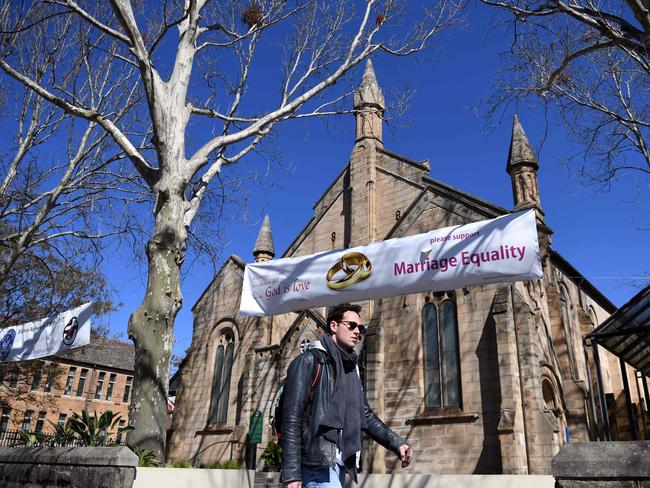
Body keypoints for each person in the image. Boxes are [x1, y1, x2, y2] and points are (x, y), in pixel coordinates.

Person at [280, 303, 413, 488]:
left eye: (360, 327)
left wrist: (396, 443)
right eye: (351, 325)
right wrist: (291, 473)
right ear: (334, 326)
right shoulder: (309, 361)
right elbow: (291, 419)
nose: (357, 331)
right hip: (317, 464)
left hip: (341, 464)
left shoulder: (351, 368)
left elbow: (364, 415)